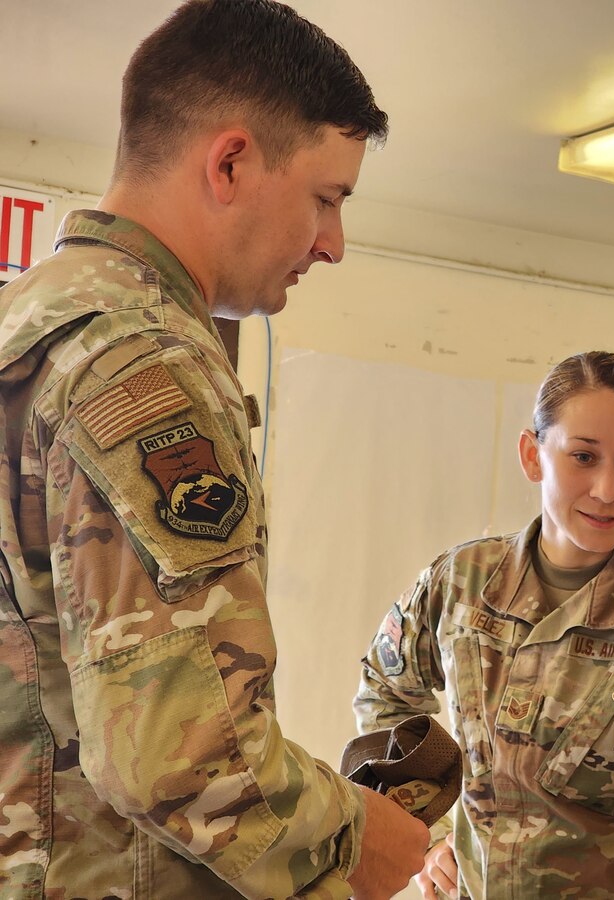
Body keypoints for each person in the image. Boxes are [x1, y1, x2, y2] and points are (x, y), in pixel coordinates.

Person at [0, 1, 428, 897]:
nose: (333, 244)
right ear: (230, 161)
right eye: (326, 198)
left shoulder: (28, 319)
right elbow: (177, 755)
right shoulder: (142, 359)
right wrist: (358, 839)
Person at [355, 351, 614, 898]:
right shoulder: (461, 582)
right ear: (533, 455)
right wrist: (426, 830)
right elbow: (386, 694)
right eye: (584, 457)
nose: (608, 489)